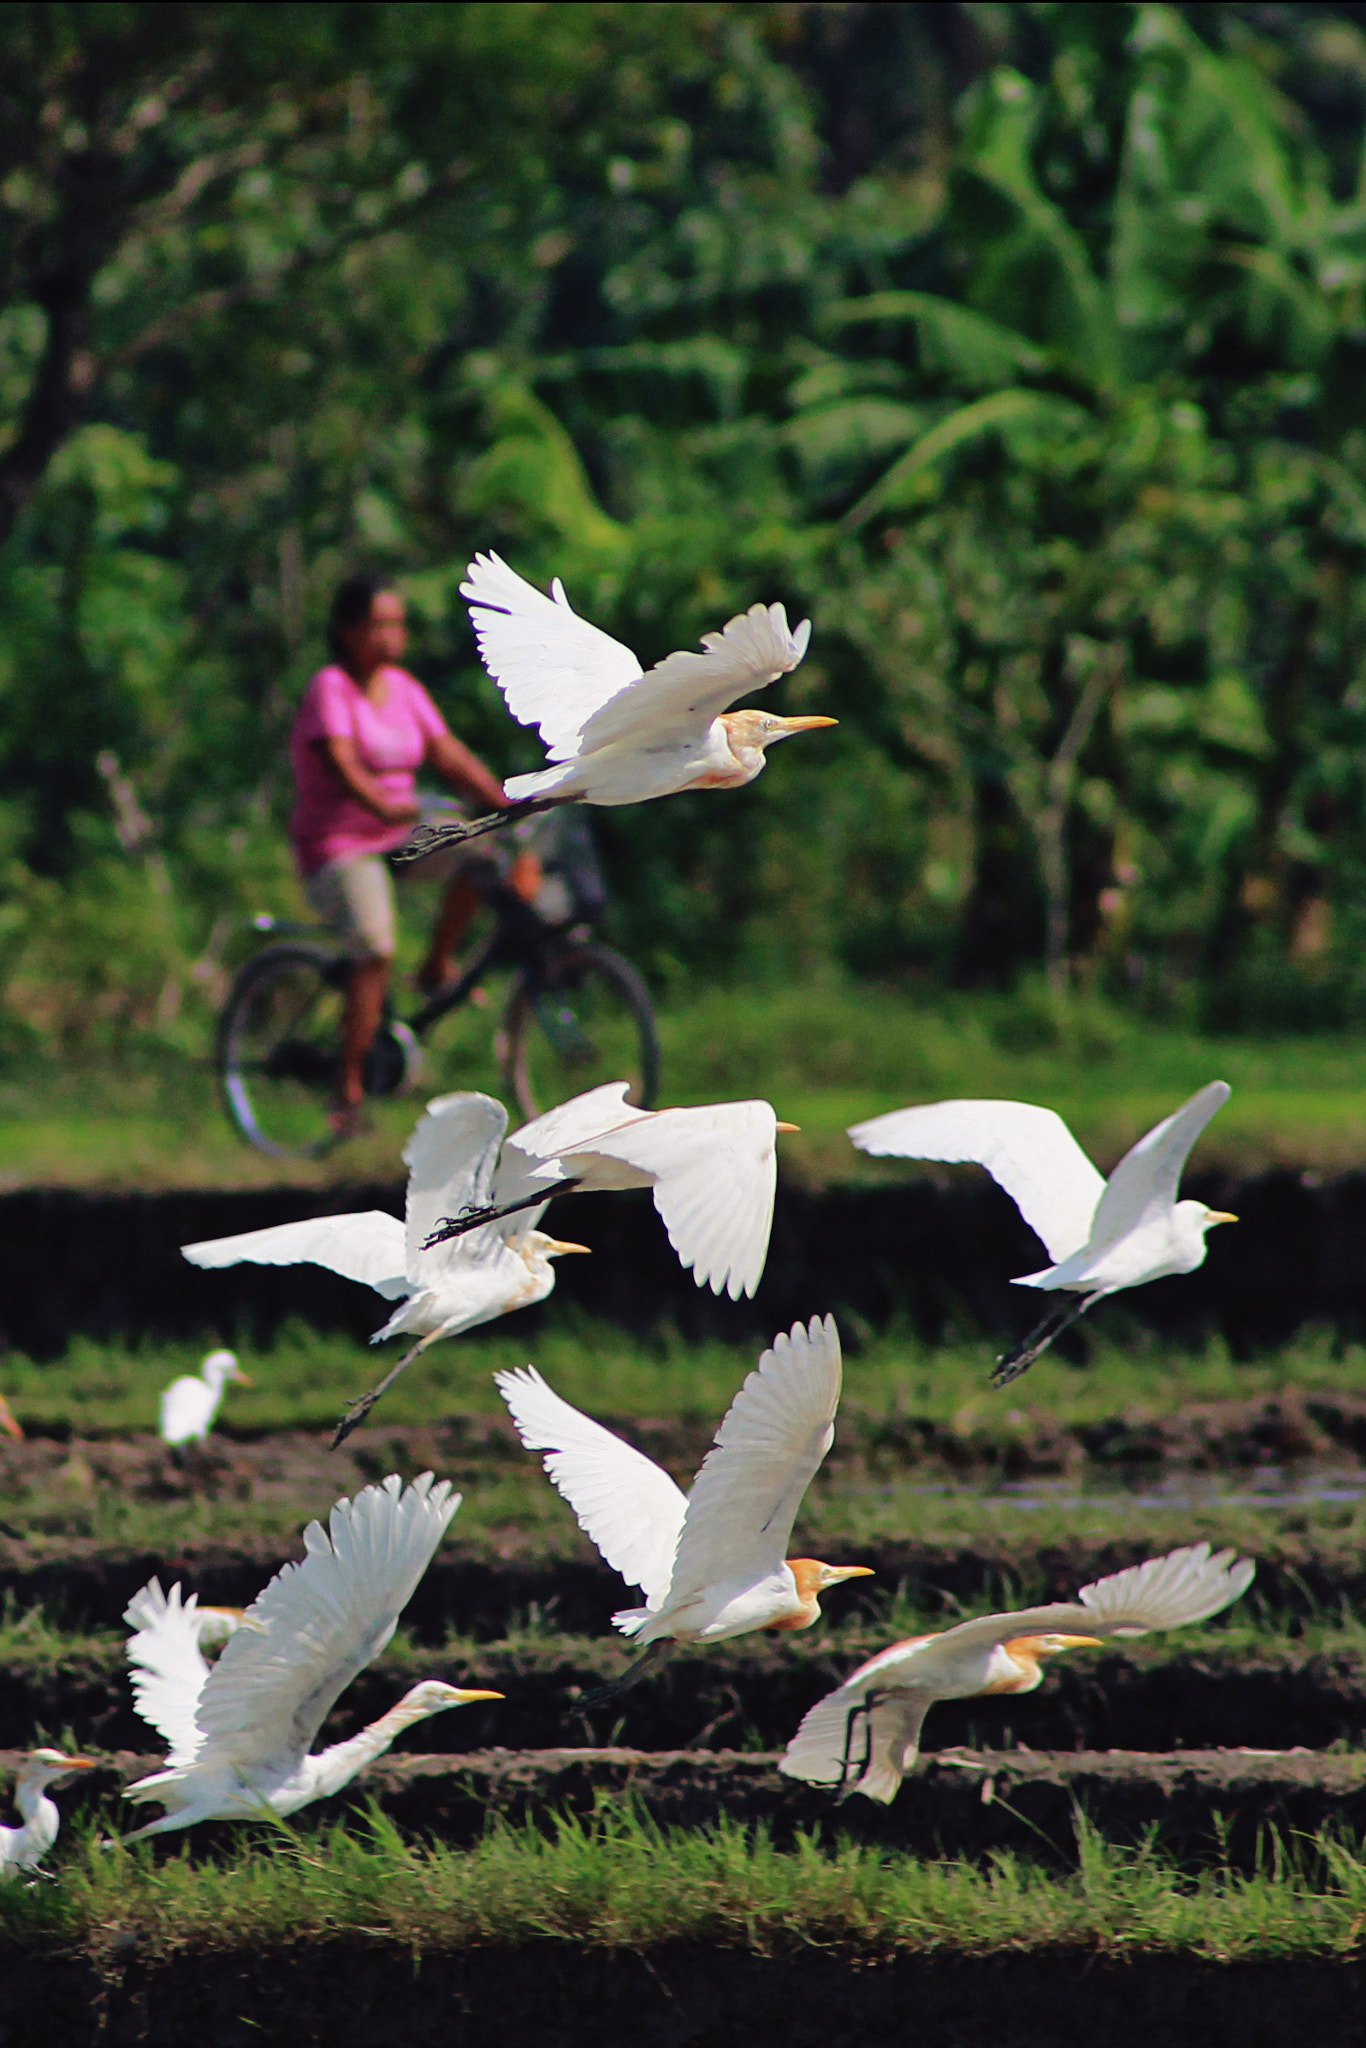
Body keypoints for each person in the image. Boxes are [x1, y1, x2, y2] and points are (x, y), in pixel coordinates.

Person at [289, 575, 508, 1135]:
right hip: (339, 846)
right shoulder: (330, 688)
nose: (391, 636)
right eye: (378, 624)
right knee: (375, 947)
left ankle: (436, 968)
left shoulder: (404, 689)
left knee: (478, 854)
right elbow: (340, 761)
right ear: (347, 631)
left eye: (397, 624)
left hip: (395, 836)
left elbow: (447, 754)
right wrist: (377, 802)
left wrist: (503, 800)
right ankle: (349, 1092)